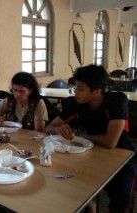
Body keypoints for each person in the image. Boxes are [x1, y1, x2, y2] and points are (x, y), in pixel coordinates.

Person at [44, 64, 137, 213]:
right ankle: (90, 204)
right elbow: (47, 128)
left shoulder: (117, 101)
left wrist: (79, 135)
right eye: (75, 87)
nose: (75, 92)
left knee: (121, 199)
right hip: (91, 152)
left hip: (123, 155)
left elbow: (110, 142)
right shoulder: (75, 103)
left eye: (80, 89)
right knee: (68, 183)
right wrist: (57, 129)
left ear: (97, 91)